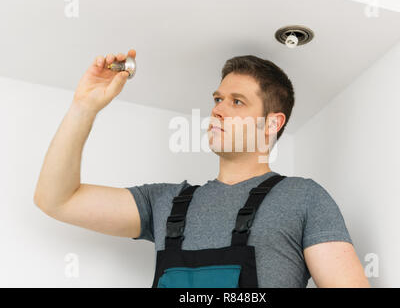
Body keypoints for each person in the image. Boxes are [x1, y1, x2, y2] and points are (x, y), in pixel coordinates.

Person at [33, 49, 370, 288]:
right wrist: (84, 107)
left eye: (236, 102)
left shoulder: (304, 198)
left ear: (272, 123)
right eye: (217, 99)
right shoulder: (166, 203)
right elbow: (57, 199)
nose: (218, 110)